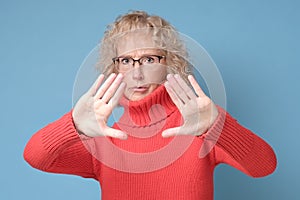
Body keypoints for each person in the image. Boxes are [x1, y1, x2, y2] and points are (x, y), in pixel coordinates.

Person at [24, 10, 277, 200]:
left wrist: (217, 125)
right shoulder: (103, 137)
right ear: (115, 68)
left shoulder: (200, 126)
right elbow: (35, 157)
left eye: (148, 58)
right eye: (126, 61)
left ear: (169, 62)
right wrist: (73, 125)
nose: (137, 74)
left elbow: (264, 166)